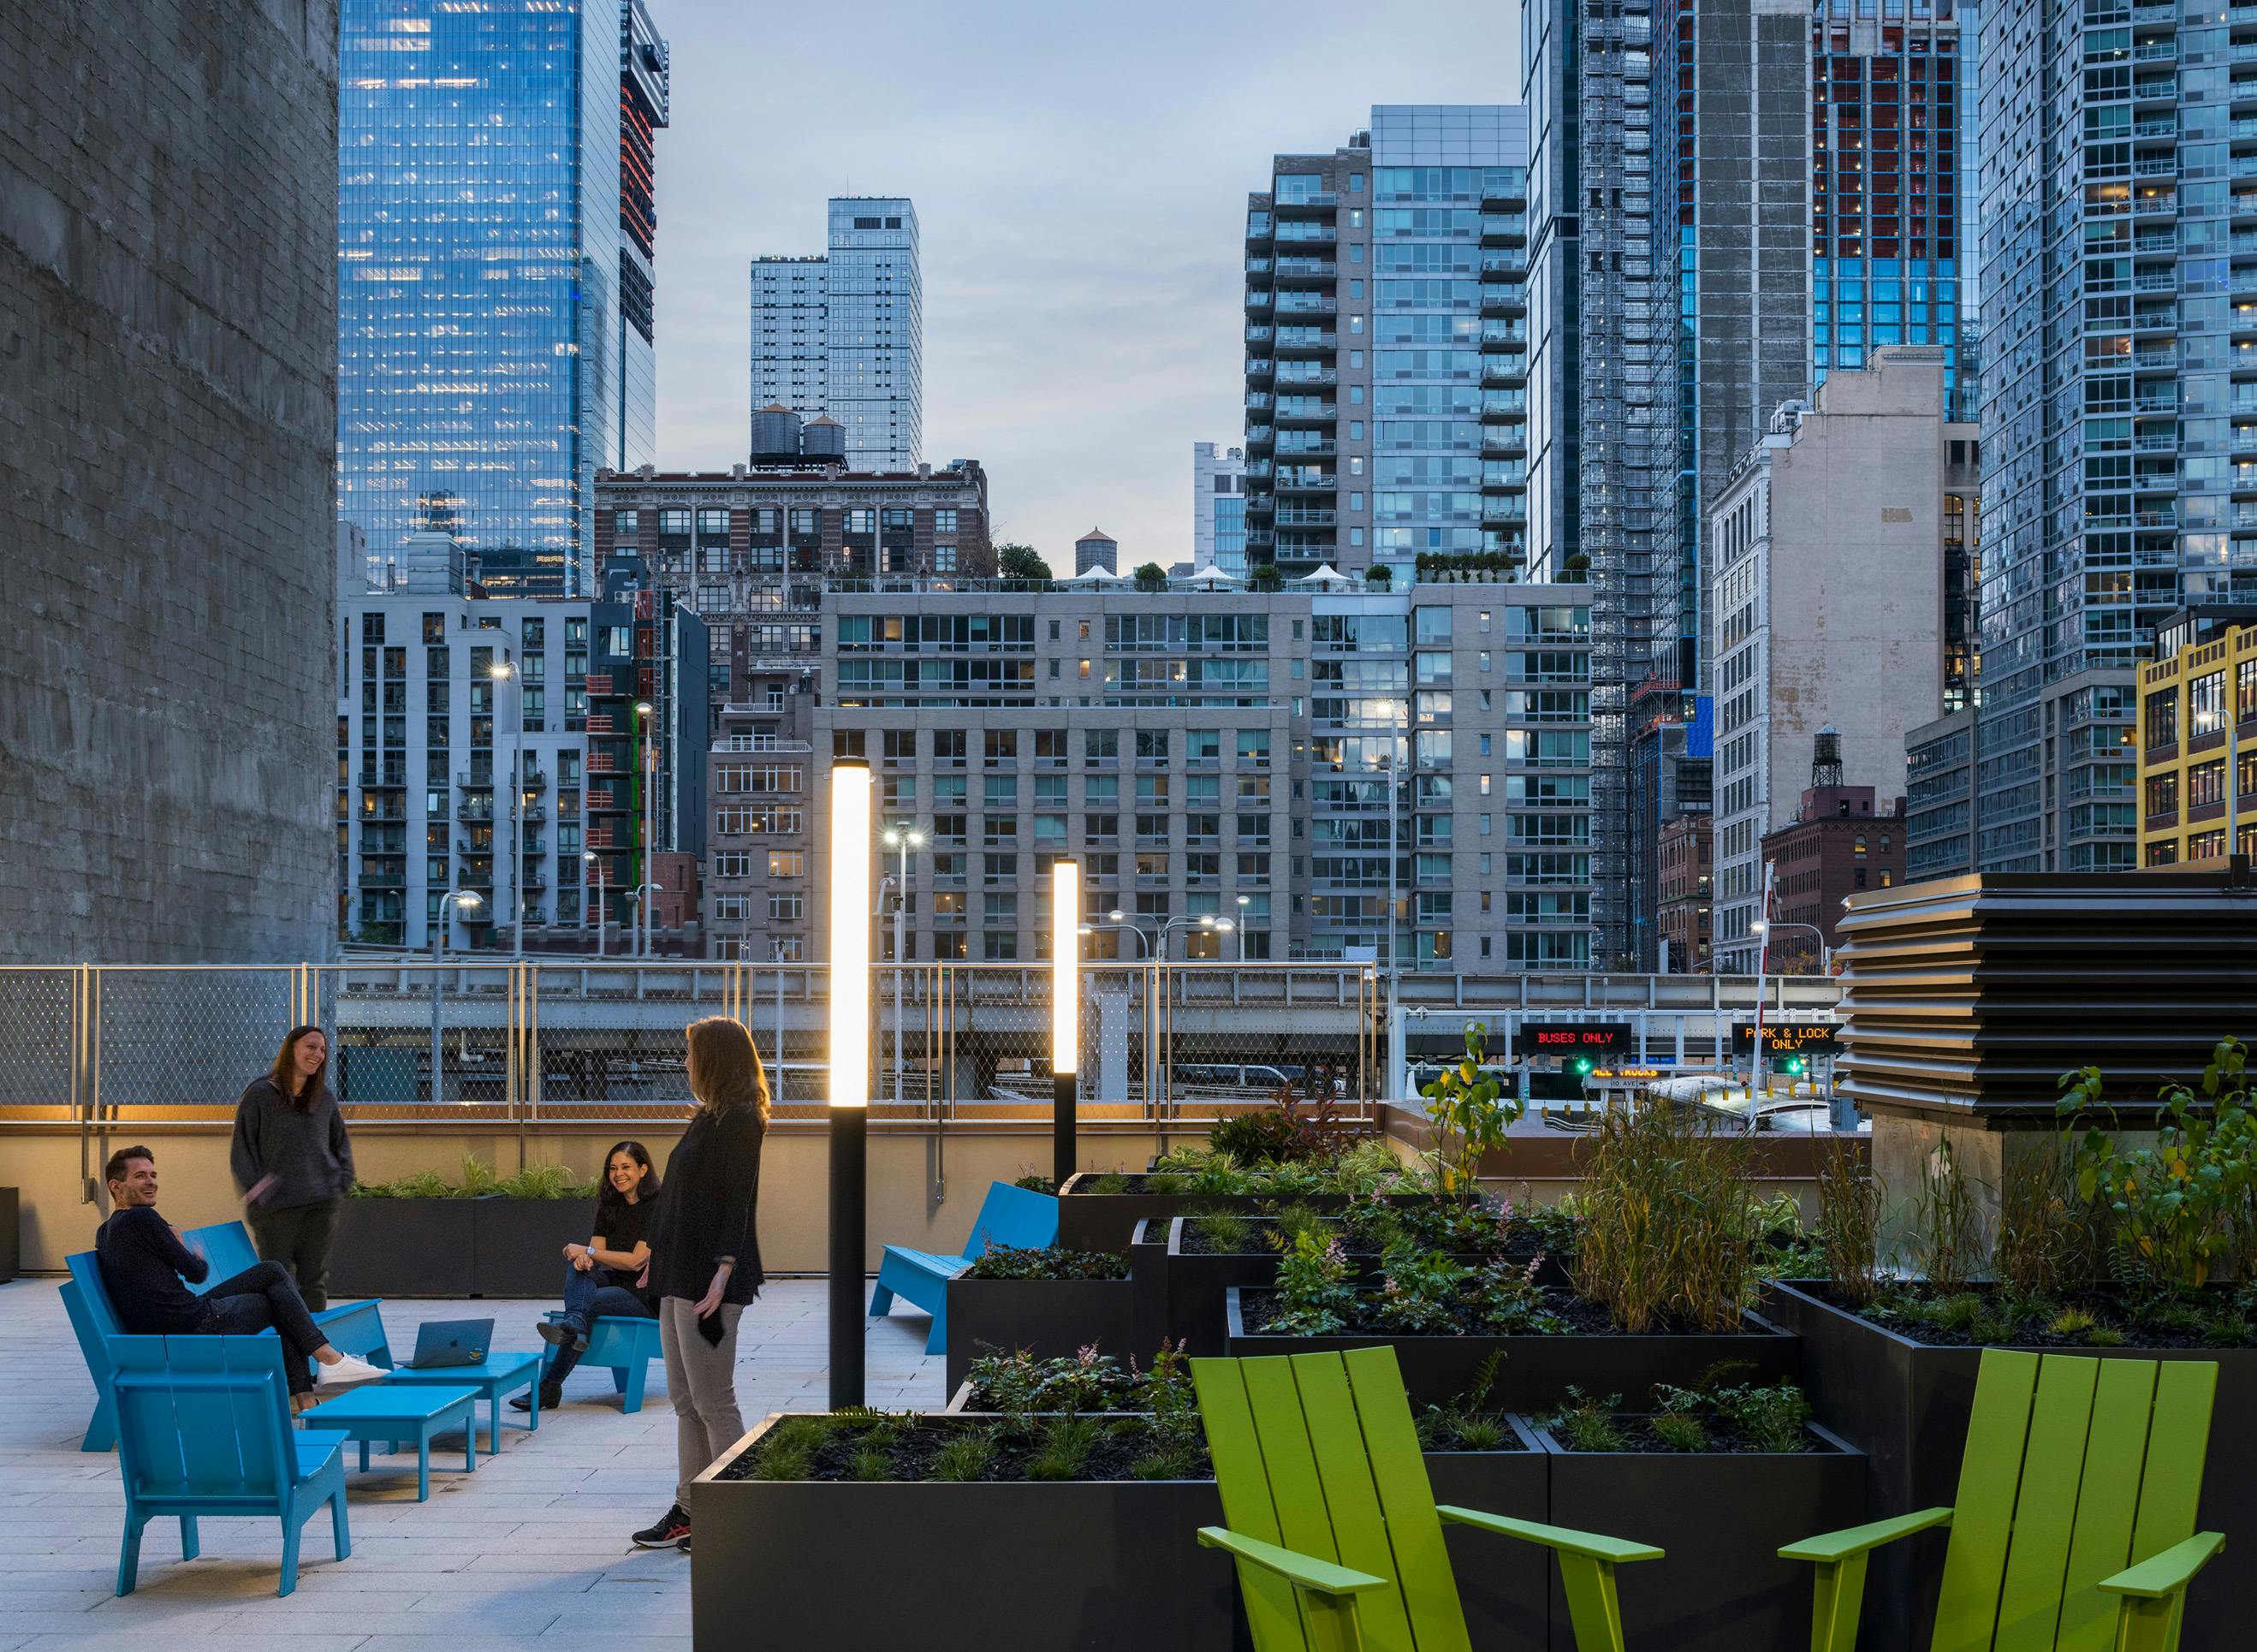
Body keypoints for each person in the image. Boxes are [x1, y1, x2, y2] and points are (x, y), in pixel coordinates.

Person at [93, 1145, 383, 1412]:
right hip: (190, 1326)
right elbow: (196, 1273)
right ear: (116, 1186)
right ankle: (324, 1366)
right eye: (140, 1176)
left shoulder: (106, 1231)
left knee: (271, 1276)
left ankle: (313, 1387)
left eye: (153, 1175)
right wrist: (184, 1245)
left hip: (167, 1324)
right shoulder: (143, 1219)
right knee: (274, 1292)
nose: (151, 1182)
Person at [630, 1017, 767, 1553]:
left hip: (711, 1279)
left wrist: (725, 1268)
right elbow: (681, 1200)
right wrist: (654, 1259)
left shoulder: (741, 1120)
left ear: (714, 1059)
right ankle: (690, 1509)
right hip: (677, 1273)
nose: (685, 1063)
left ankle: (732, 1513)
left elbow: (739, 1200)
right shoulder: (706, 1118)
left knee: (713, 1400)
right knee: (686, 1400)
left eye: (691, 1055)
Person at [511, 1140, 661, 1413]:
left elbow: (637, 1261)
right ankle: (575, 1325)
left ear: (643, 1169)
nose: (618, 1174)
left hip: (644, 1295)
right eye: (612, 1168)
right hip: (613, 1283)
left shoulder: (657, 1206)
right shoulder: (610, 1203)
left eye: (626, 1167)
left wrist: (587, 1251)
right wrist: (583, 1258)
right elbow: (596, 1255)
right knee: (577, 1270)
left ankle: (550, 1385)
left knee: (585, 1304)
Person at [230, 1025, 354, 1310]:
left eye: (322, 1049)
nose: (318, 1054)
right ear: (291, 1050)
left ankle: (315, 1350)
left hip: (321, 1205)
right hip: (277, 1209)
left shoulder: (323, 1098)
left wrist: (341, 1182)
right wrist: (258, 1189)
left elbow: (340, 1144)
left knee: (315, 1281)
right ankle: (281, 1346)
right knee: (276, 1281)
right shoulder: (260, 1094)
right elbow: (242, 1149)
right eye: (311, 1047)